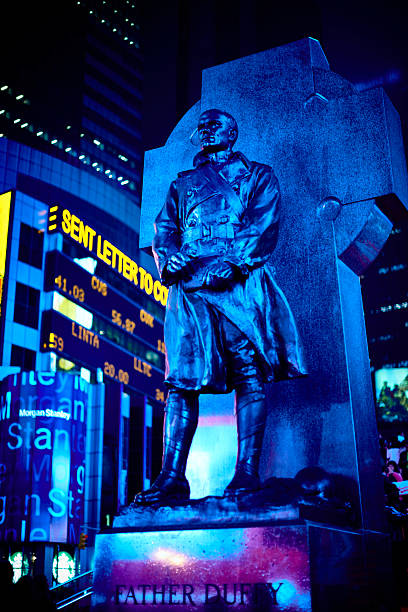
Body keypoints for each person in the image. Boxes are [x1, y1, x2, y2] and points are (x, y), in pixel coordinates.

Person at [134, 109, 306, 505]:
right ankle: (172, 476)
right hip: (191, 288)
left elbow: (263, 224)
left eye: (216, 124)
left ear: (233, 132)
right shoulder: (183, 184)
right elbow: (166, 229)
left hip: (237, 287)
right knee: (180, 381)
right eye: (203, 125)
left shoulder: (258, 175)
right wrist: (169, 257)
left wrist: (233, 262)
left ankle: (246, 470)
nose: (207, 130)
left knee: (248, 371)